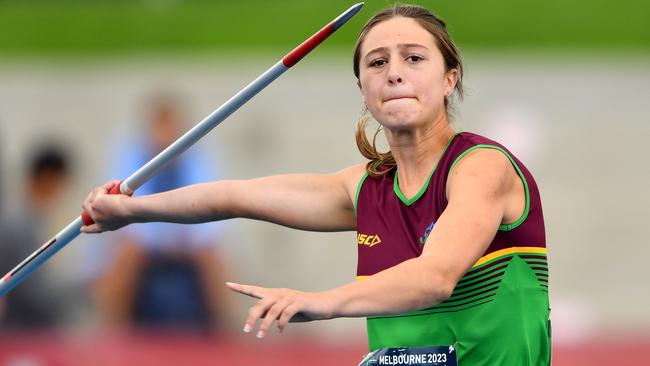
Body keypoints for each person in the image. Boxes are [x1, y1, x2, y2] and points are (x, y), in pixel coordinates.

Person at [81, 5, 550, 365]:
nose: (394, 72)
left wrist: (319, 303)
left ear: (449, 80)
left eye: (413, 58)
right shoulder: (364, 190)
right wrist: (132, 210)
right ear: (364, 89)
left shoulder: (481, 166)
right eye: (377, 62)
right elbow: (231, 196)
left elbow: (435, 278)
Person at [85, 92, 231, 332]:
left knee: (211, 254)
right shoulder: (130, 154)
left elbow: (211, 219)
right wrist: (165, 236)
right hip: (142, 246)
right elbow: (125, 216)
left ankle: (223, 336)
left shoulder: (197, 156)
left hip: (186, 246)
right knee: (128, 251)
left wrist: (178, 239)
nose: (164, 139)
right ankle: (113, 335)